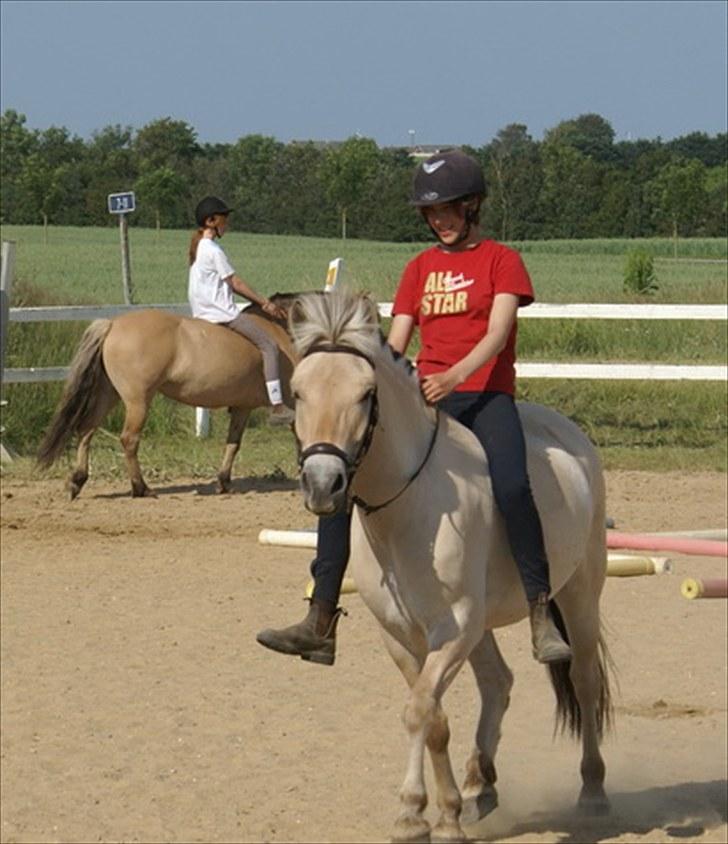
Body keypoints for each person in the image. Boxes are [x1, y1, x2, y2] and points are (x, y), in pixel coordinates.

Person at [255, 151, 572, 666]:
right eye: (431, 213)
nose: (439, 220)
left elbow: (497, 334)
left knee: (513, 484)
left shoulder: (501, 260)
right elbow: (396, 343)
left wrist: (453, 375)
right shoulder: (419, 269)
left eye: (448, 209)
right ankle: (321, 616)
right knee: (344, 481)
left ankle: (540, 610)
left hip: (484, 396)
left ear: (472, 207)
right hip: (425, 401)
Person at [188, 196, 292, 417]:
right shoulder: (214, 250)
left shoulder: (198, 249)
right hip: (222, 313)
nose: (227, 224)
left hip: (200, 312)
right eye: (223, 220)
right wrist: (264, 303)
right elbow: (235, 283)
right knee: (269, 345)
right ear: (211, 221)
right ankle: (277, 405)